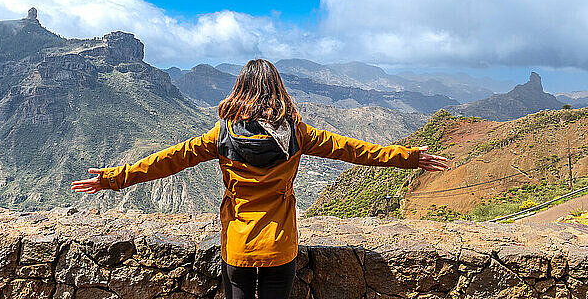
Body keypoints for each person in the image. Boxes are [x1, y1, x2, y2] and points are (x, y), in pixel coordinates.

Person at [71, 59, 450, 299]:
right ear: (278, 89)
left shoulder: (221, 135)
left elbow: (168, 161)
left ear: (241, 91)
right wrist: (411, 157)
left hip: (238, 245)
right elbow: (357, 150)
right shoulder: (299, 133)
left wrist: (112, 179)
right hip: (280, 246)